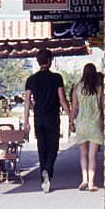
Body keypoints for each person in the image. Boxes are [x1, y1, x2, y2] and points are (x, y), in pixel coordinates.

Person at [24, 48, 69, 193]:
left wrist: (26, 121)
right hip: (52, 117)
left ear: (38, 62)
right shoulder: (57, 78)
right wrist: (70, 115)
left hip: (38, 118)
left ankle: (44, 178)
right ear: (50, 61)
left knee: (41, 148)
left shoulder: (31, 79)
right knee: (53, 147)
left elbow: (26, 102)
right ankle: (47, 171)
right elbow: (62, 99)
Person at [69, 63, 104, 192]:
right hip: (95, 123)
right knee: (92, 154)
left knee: (83, 154)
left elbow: (74, 108)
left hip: (82, 124)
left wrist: (71, 122)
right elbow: (103, 106)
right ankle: (91, 183)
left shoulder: (77, 88)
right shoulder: (99, 88)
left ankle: (84, 179)